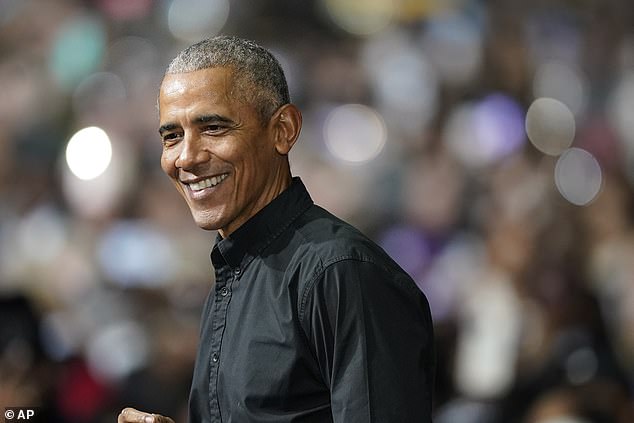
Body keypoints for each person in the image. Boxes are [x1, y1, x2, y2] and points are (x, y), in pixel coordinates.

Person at [119, 36, 435, 423]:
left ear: (283, 129)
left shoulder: (342, 273)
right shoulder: (233, 273)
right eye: (172, 136)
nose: (186, 156)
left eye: (214, 127)